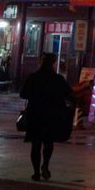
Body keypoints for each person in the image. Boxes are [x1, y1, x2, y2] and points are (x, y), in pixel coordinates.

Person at [19, 53, 72, 181]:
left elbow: (23, 94)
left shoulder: (33, 77)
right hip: (51, 115)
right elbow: (69, 94)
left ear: (40, 62)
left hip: (35, 114)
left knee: (36, 144)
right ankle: (45, 166)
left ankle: (36, 172)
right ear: (53, 63)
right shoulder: (58, 79)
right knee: (48, 143)